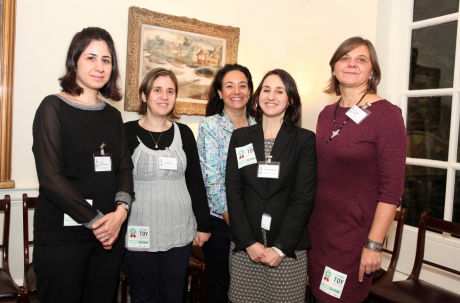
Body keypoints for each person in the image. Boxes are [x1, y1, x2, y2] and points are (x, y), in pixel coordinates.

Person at [32, 27, 134, 303]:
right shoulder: (52, 108)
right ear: (74, 60)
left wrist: (121, 213)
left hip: (109, 237)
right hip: (62, 236)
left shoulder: (113, 117)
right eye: (91, 58)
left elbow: (124, 169)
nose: (99, 67)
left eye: (106, 60)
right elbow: (51, 179)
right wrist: (99, 221)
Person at [307, 37, 407, 303]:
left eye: (361, 59)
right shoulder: (326, 114)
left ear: (372, 70)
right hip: (318, 232)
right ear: (334, 67)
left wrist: (374, 244)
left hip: (354, 237)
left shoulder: (387, 115)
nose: (352, 64)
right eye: (345, 58)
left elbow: (391, 190)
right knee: (317, 296)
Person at [226, 69, 317, 303]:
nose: (271, 96)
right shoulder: (241, 137)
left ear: (291, 100)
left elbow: (303, 198)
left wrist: (279, 248)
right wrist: (248, 242)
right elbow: (234, 192)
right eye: (266, 89)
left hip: (286, 251)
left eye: (280, 91)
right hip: (246, 248)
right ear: (257, 96)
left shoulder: (303, 140)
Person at [123, 67, 212, 303]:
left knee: (172, 296)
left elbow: (194, 179)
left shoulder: (183, 132)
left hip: (178, 230)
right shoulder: (126, 132)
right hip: (138, 228)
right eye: (158, 90)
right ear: (144, 95)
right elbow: (117, 182)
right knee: (143, 295)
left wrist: (203, 224)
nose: (165, 96)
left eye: (170, 91)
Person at [197, 63, 256, 302]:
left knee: (247, 284)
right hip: (222, 220)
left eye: (242, 85)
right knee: (220, 283)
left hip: (254, 217)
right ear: (220, 93)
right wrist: (235, 223)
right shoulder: (210, 126)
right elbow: (212, 179)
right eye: (229, 86)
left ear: (251, 91)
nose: (236, 91)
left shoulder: (259, 126)